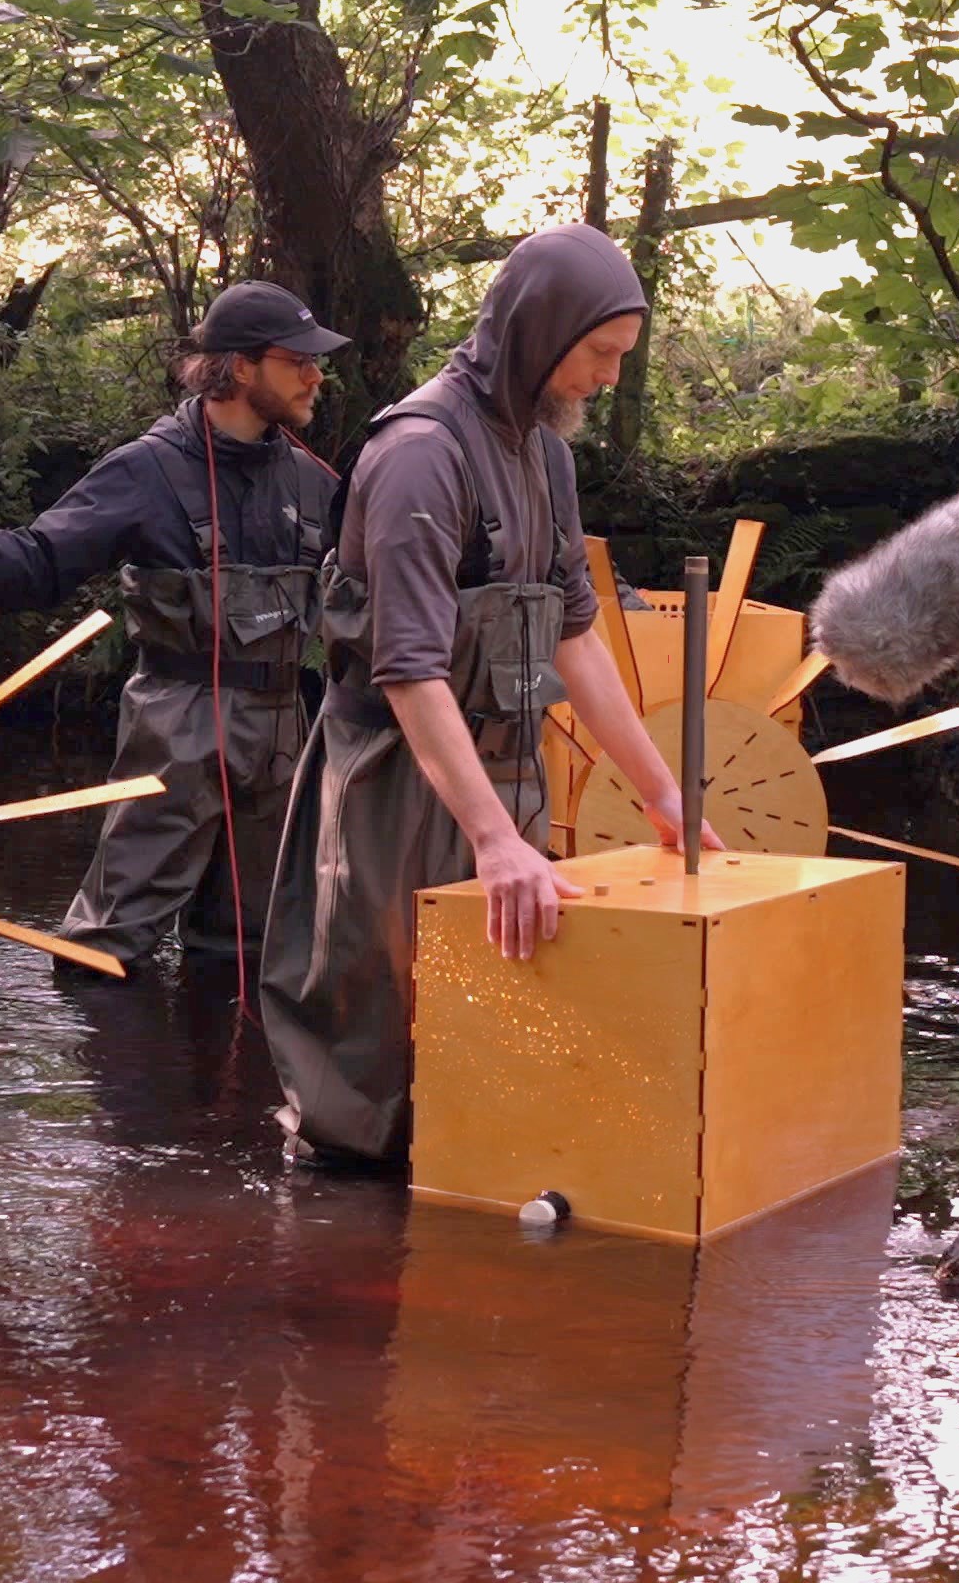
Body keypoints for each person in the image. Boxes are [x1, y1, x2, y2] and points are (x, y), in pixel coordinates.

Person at [255, 222, 708, 1163]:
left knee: (494, 1035)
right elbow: (410, 669)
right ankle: (333, 1254)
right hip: (393, 784)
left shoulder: (548, 456)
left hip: (507, 779)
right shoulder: (423, 453)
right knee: (372, 1049)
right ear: (542, 332)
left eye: (622, 357)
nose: (610, 378)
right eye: (600, 354)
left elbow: (576, 638)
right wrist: (495, 841)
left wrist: (663, 792)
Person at [0, 281, 348, 973]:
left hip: (285, 736)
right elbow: (39, 565)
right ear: (242, 367)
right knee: (102, 953)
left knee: (253, 952)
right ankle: (118, 1075)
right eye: (298, 360)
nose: (316, 375)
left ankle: (228, 1081)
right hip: (177, 730)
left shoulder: (316, 483)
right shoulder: (145, 471)